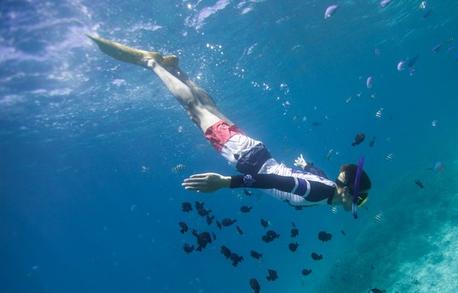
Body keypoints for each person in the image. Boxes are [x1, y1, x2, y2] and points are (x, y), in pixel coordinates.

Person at [88, 35, 372, 218]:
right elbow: (273, 182)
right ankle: (152, 64)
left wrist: (307, 165)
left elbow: (316, 176)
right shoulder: (319, 194)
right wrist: (225, 183)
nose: (356, 206)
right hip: (245, 158)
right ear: (347, 190)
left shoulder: (326, 190)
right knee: (196, 110)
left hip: (255, 153)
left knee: (209, 110)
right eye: (359, 201)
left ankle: (176, 69)